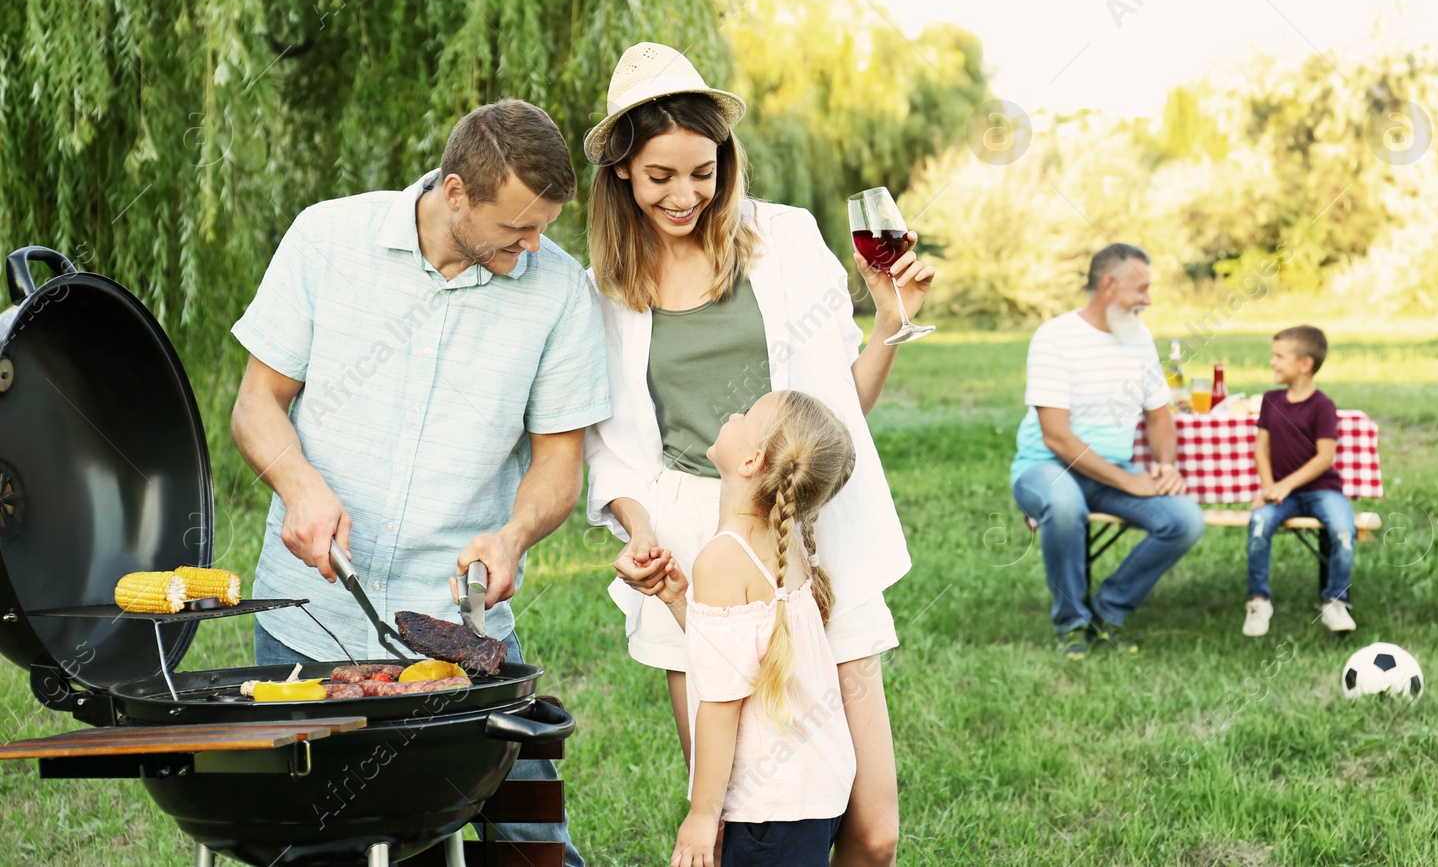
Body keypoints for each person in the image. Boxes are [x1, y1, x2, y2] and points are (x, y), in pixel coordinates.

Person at [229, 99, 610, 865]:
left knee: (532, 843)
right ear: (456, 191)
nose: (535, 247)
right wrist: (300, 485)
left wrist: (513, 534)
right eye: (517, 231)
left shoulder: (560, 290)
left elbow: (559, 463)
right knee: (320, 845)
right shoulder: (327, 238)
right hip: (310, 622)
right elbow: (255, 406)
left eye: (544, 228)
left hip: (462, 633)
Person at [582, 42, 934, 866]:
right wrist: (638, 531)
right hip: (700, 553)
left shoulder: (783, 238)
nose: (684, 194)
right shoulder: (607, 284)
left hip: (808, 537)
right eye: (661, 175)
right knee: (744, 821)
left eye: (701, 171)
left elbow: (831, 417)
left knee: (873, 832)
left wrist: (889, 321)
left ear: (725, 160)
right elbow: (616, 451)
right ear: (624, 172)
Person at [655, 390, 858, 867]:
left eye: (745, 415)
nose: (732, 413)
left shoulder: (726, 556)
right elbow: (744, 657)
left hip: (772, 805)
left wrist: (704, 815)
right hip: (815, 788)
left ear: (751, 460)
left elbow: (722, 706)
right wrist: (681, 602)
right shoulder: (781, 541)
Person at [1010, 243, 1205, 658]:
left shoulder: (1139, 338)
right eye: (1141, 289)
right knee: (1064, 502)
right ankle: (1071, 623)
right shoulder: (1055, 337)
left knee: (1185, 519)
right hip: (1046, 468)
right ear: (1108, 285)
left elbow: (1159, 415)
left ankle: (1109, 609)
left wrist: (1166, 466)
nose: (1148, 300)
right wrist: (1128, 482)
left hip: (1110, 470)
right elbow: (1056, 436)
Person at [1243, 325, 1357, 636]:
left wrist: (1285, 485)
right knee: (1259, 524)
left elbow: (1325, 457)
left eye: (1279, 356)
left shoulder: (1323, 406)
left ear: (1305, 364)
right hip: (1282, 496)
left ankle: (1335, 602)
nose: (1272, 362)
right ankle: (1258, 602)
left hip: (1323, 492)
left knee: (1344, 533)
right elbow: (1261, 449)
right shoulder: (1270, 400)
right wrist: (1269, 488)